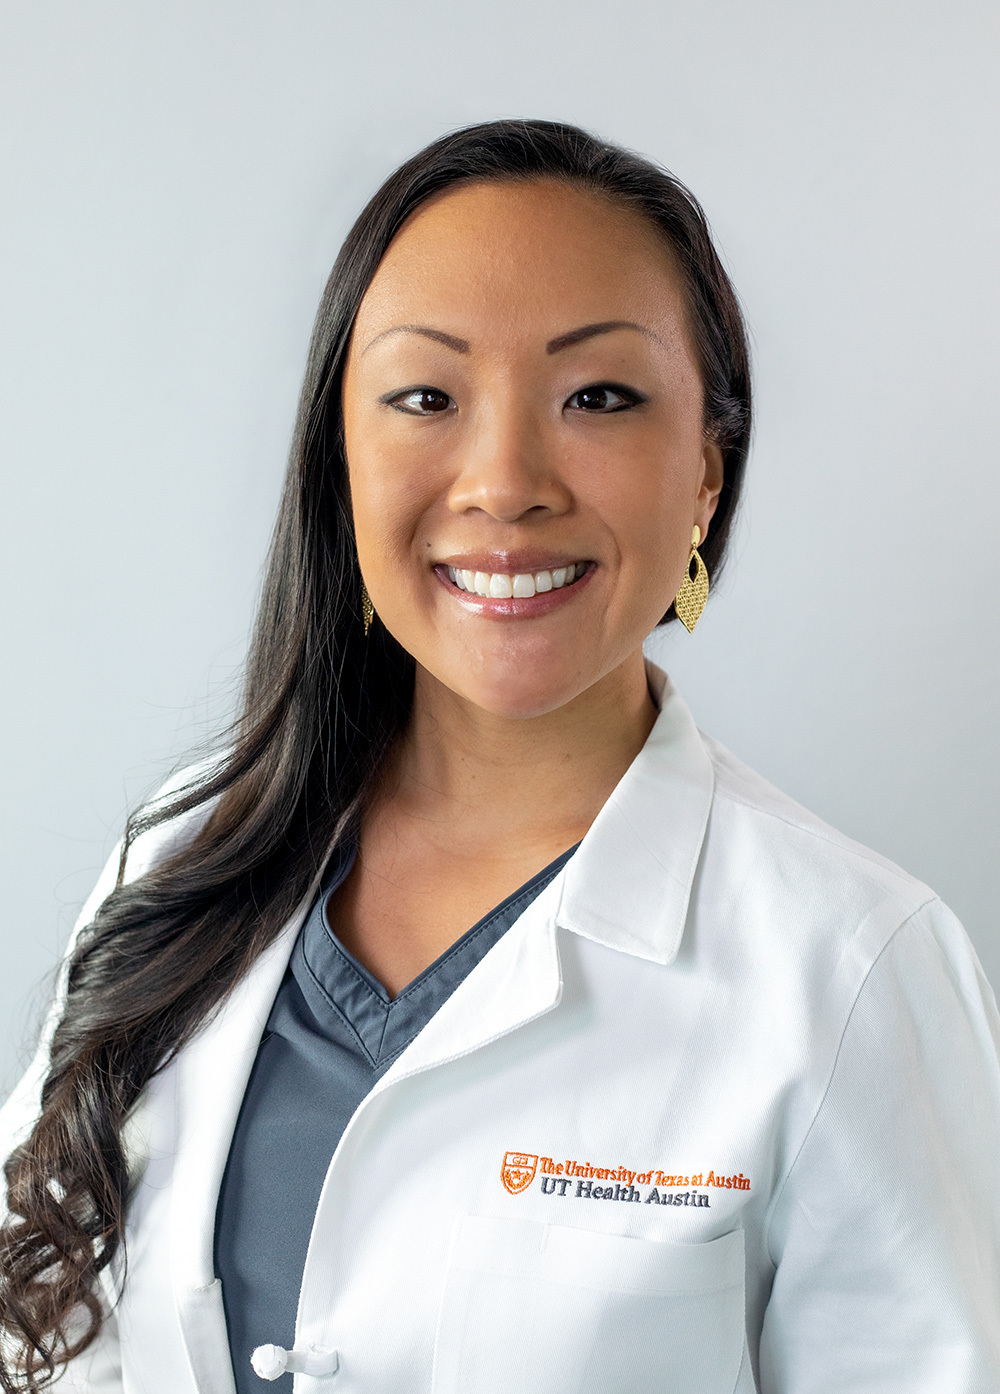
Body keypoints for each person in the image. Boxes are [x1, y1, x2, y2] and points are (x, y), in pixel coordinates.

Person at [1, 118, 998, 1394]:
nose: (504, 480)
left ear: (703, 472)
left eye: (598, 397)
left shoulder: (855, 967)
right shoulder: (181, 856)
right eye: (425, 397)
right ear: (339, 457)